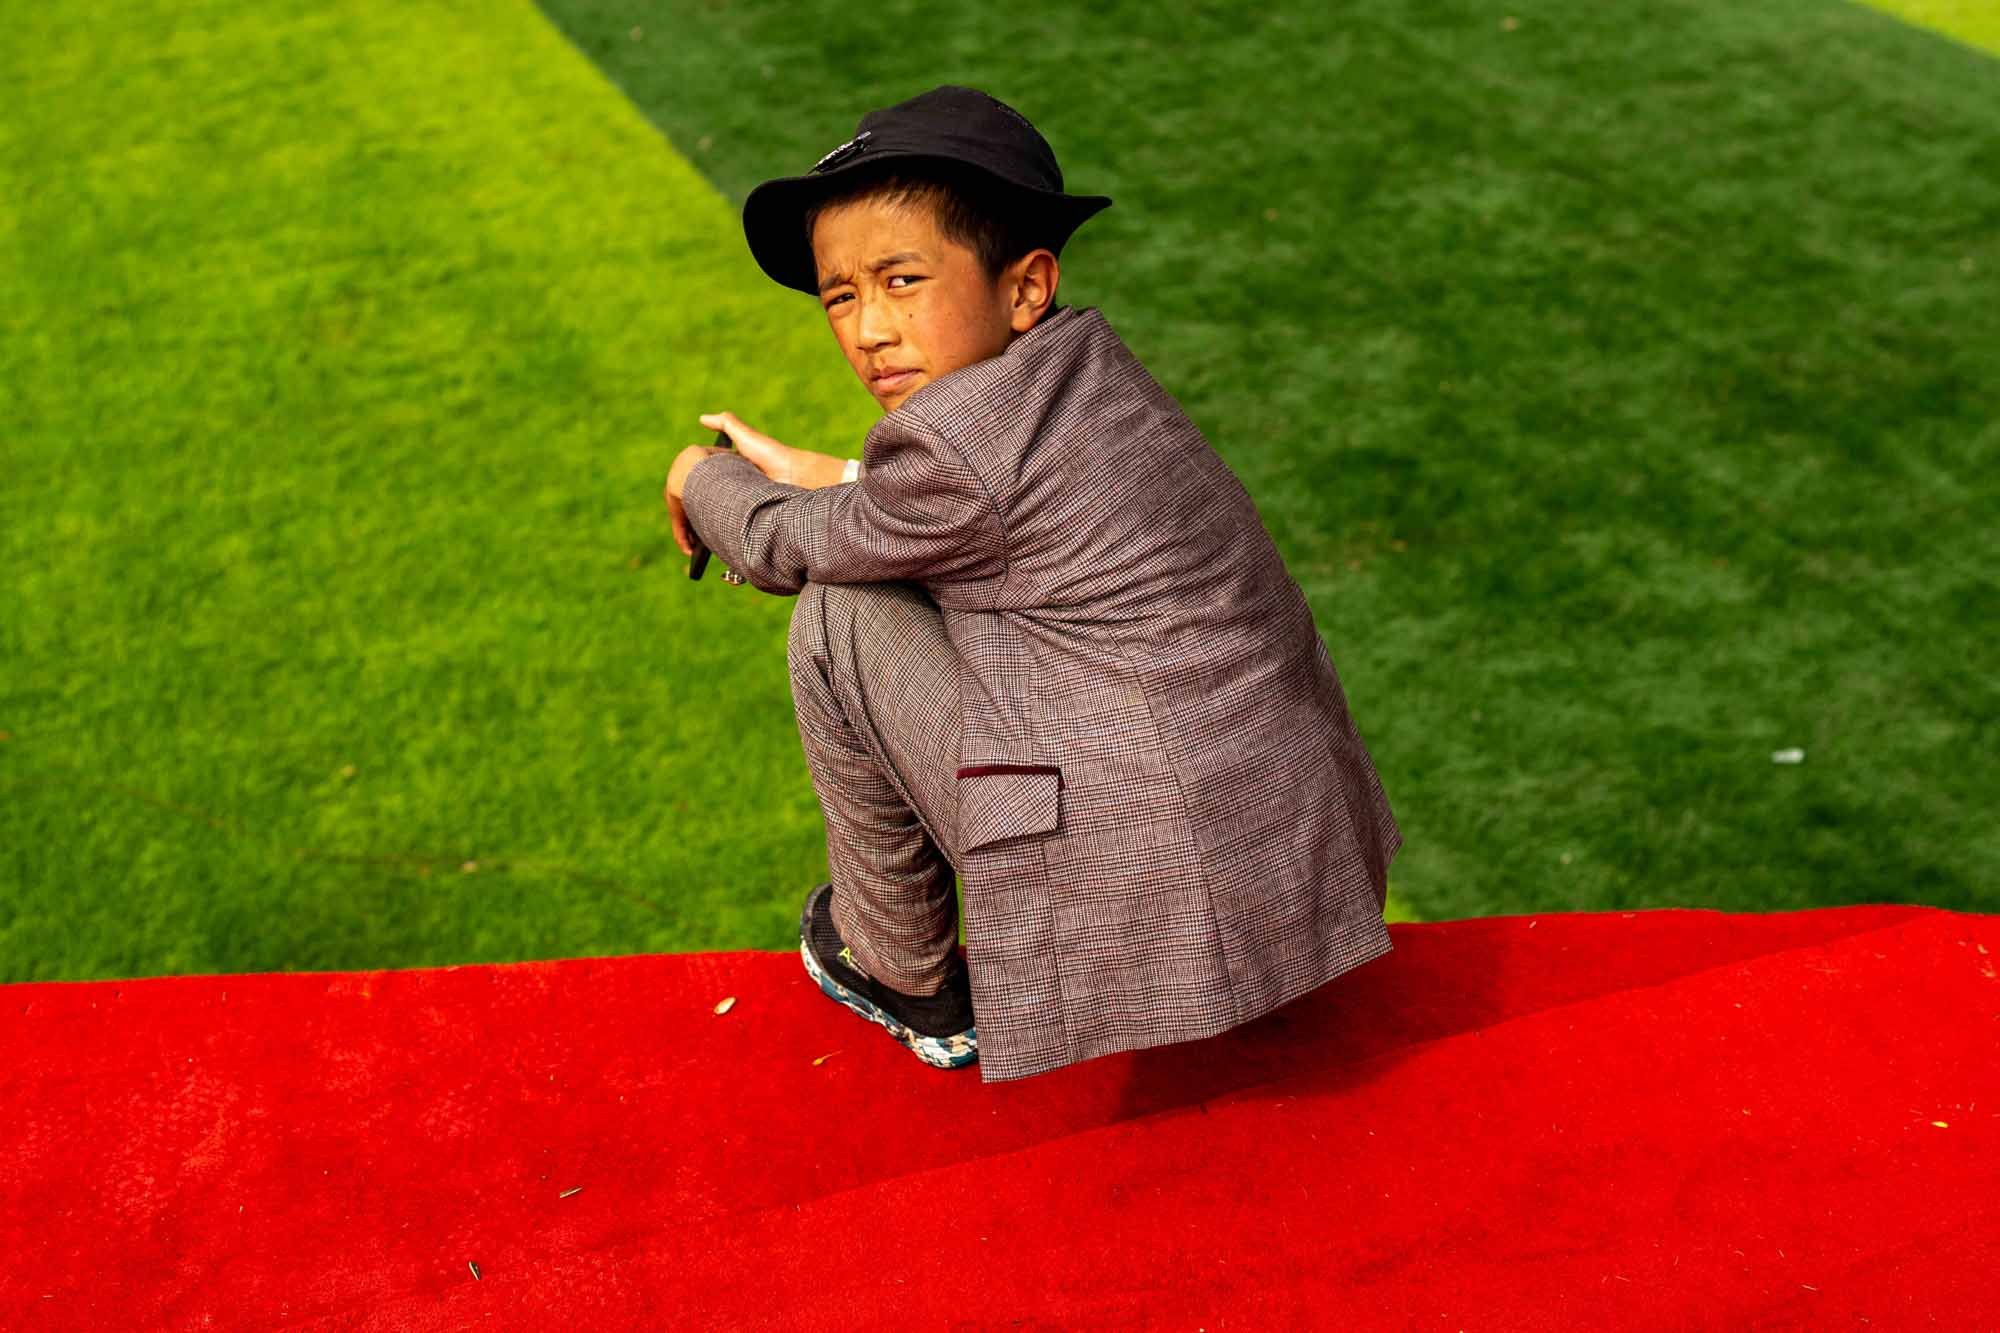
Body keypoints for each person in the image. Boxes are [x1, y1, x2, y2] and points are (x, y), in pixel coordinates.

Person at [662, 85, 1402, 1084]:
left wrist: (702, 479)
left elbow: (787, 549)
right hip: (1281, 848)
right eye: (842, 294)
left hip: (1137, 883)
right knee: (881, 578)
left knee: (840, 613)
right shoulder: (1088, 379)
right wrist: (830, 476)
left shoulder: (955, 447)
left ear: (1023, 287)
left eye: (902, 279)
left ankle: (898, 969)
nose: (869, 329)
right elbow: (975, 518)